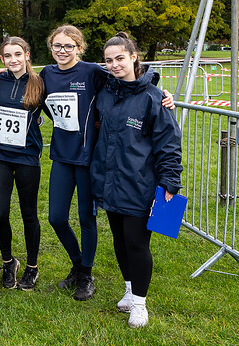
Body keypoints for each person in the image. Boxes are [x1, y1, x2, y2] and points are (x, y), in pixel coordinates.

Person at [41, 24, 175, 301]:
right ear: (50, 48)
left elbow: (134, 83)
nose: (62, 51)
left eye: (69, 46)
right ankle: (78, 264)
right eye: (57, 46)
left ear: (80, 48)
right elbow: (46, 101)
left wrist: (162, 94)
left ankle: (87, 275)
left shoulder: (93, 71)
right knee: (56, 217)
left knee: (86, 218)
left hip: (91, 160)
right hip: (65, 157)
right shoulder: (46, 74)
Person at [93, 32, 182, 328]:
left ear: (134, 57)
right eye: (109, 60)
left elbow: (169, 144)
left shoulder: (155, 99)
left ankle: (141, 305)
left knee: (136, 243)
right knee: (119, 240)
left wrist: (170, 183)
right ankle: (130, 292)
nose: (115, 64)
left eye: (120, 58)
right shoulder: (105, 92)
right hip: (109, 181)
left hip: (140, 184)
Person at [0, 37, 45, 291]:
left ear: (27, 54)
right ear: (2, 59)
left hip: (27, 157)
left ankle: (32, 267)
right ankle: (8, 261)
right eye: (7, 56)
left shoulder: (40, 83)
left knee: (28, 213)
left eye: (17, 55)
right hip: (0, 154)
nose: (13, 60)